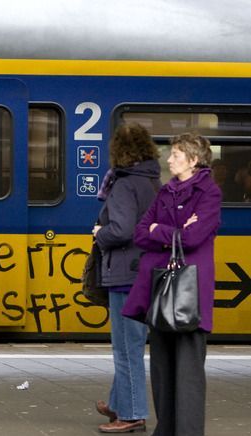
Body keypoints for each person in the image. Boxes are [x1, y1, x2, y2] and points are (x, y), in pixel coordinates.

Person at [123, 132, 222, 436]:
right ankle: (165, 430)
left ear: (193, 160)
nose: (168, 159)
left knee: (188, 371)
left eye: (176, 154)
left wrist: (160, 230)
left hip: (189, 292)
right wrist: (173, 231)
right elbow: (140, 233)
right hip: (162, 289)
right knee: (162, 369)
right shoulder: (166, 192)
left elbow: (194, 238)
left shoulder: (209, 193)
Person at [91, 123, 160, 433]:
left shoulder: (124, 184)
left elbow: (122, 230)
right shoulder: (152, 181)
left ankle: (132, 413)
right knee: (130, 343)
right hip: (144, 270)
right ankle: (119, 402)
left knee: (125, 347)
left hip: (125, 273)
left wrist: (99, 233)